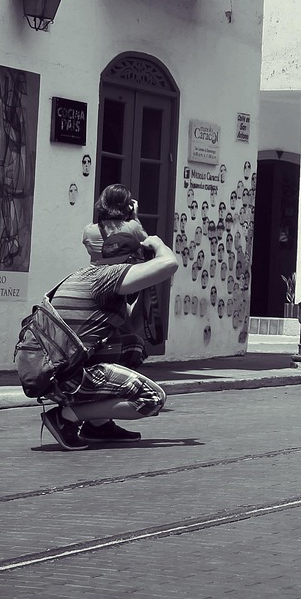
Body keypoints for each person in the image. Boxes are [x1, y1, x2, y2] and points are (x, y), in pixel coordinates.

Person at [38, 190, 180, 451]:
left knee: (132, 346)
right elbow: (170, 263)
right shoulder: (109, 278)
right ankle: (66, 418)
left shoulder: (91, 275)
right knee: (152, 398)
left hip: (51, 370)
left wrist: (145, 293)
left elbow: (132, 329)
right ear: (132, 260)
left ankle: (98, 425)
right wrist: (158, 244)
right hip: (62, 376)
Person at [82, 183, 149, 264]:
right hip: (123, 270)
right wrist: (135, 217)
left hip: (99, 270)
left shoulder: (89, 231)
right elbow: (148, 245)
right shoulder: (133, 227)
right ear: (126, 206)